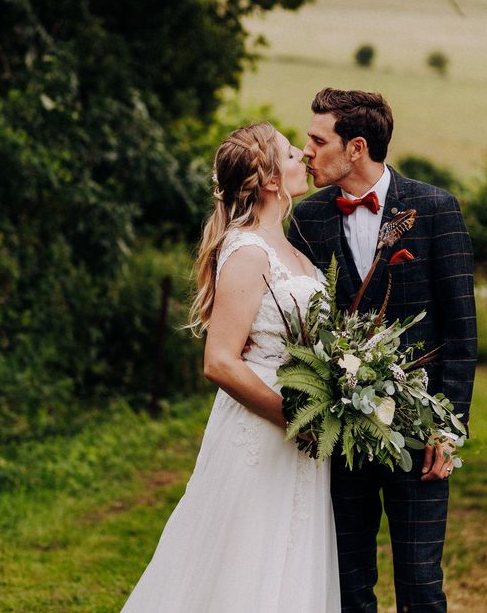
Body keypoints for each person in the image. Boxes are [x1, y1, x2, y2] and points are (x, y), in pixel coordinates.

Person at [122, 123, 340, 612]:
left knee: (288, 560)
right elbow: (219, 361)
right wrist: (293, 417)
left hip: (304, 440)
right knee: (244, 564)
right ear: (268, 179)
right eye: (289, 153)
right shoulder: (247, 251)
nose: (302, 157)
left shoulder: (296, 253)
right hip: (263, 431)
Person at [288, 88, 477, 613]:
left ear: (356, 148)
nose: (307, 150)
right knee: (348, 585)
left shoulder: (436, 209)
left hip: (419, 432)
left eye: (317, 139)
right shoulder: (308, 219)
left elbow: (461, 335)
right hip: (339, 436)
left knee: (419, 585)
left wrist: (450, 428)